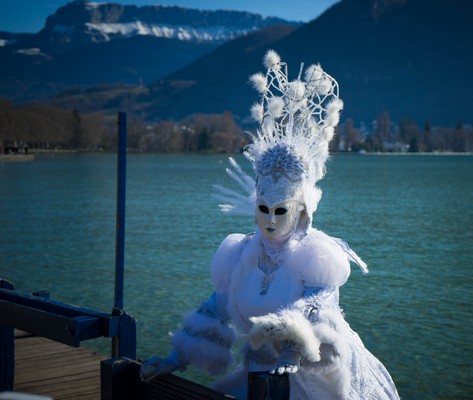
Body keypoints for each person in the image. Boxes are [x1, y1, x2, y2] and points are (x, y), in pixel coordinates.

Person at [140, 50, 400, 399]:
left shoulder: (317, 258)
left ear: (301, 210)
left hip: (317, 382)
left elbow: (315, 308)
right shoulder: (240, 255)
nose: (271, 220)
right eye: (264, 209)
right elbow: (214, 311)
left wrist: (293, 347)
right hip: (261, 377)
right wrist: (174, 358)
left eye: (282, 211)